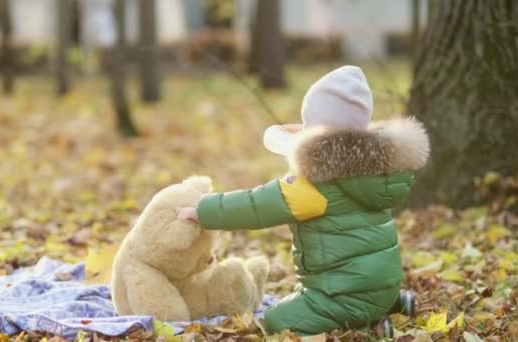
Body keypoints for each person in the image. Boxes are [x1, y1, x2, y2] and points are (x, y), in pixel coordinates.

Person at [177, 65, 428, 336]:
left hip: (344, 294)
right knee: (364, 279)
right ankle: (393, 303)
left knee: (275, 320)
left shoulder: (312, 185)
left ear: (320, 131)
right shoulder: (373, 167)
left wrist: (203, 210)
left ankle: (367, 328)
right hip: (382, 283)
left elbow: (256, 205)